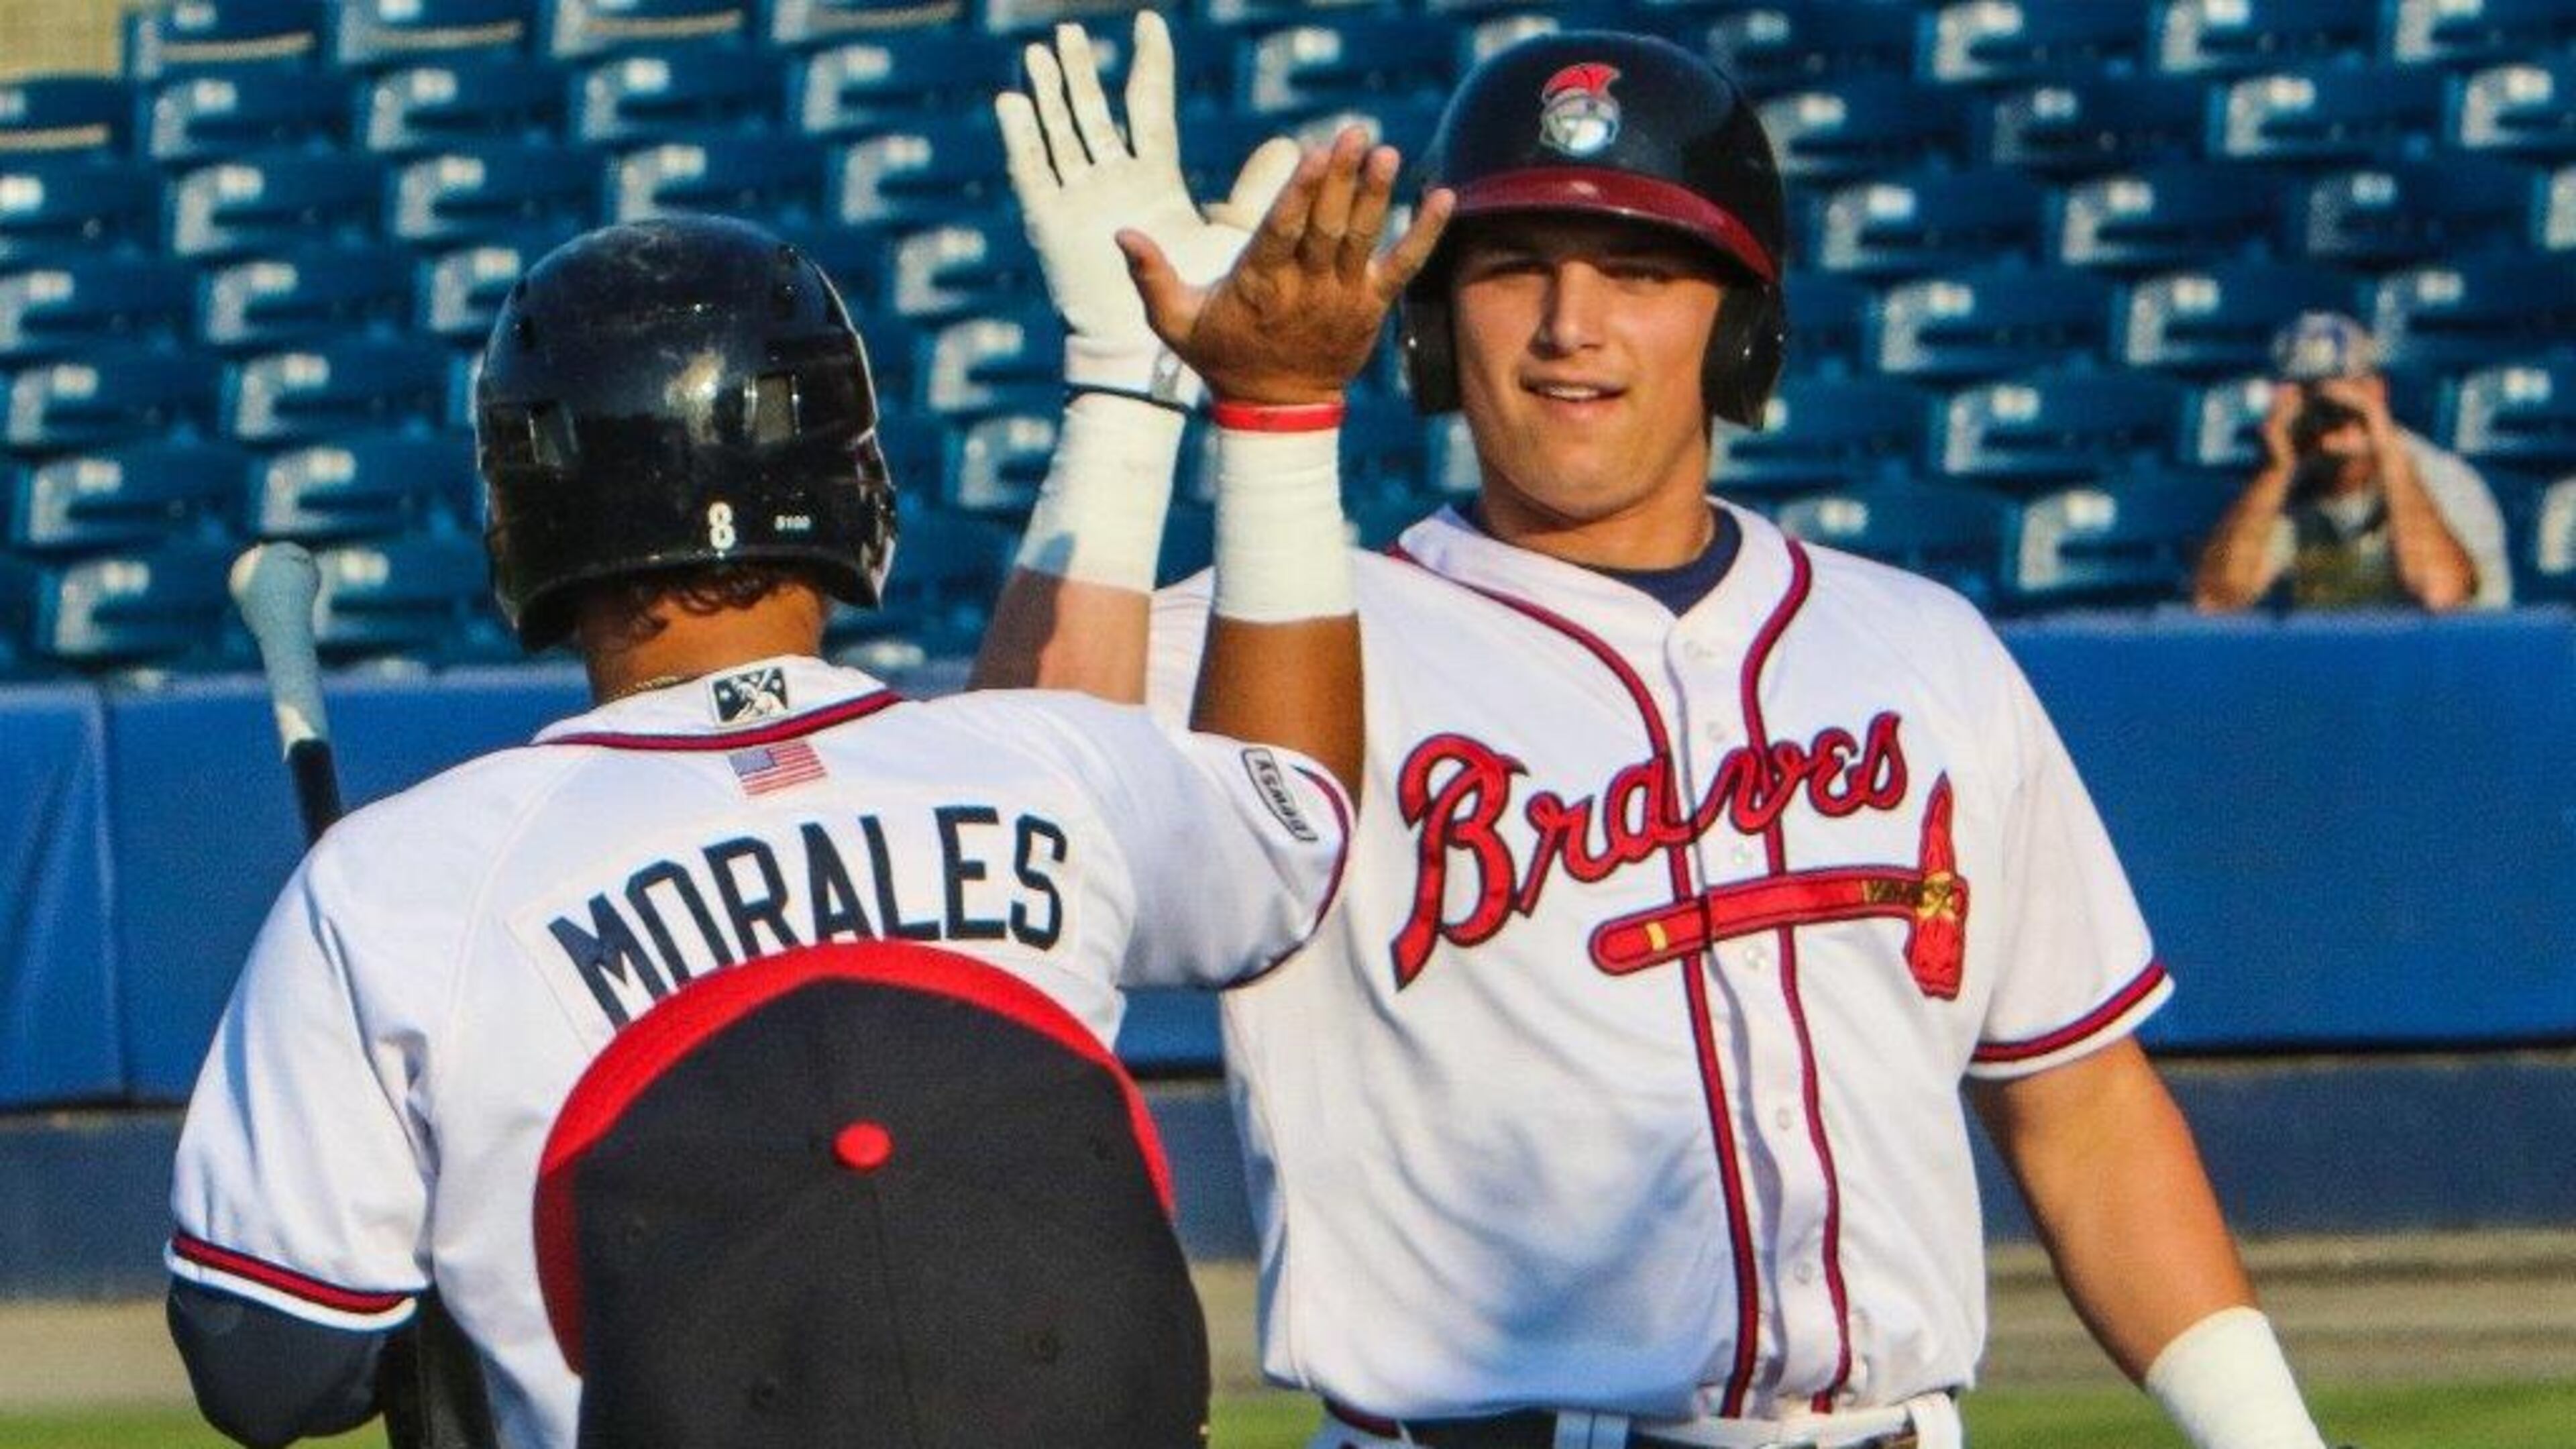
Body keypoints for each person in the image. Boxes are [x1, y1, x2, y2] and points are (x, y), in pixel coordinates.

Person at [981, 21, 2344, 1449]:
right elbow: (1011, 834)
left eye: (1639, 272)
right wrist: (1127, 394)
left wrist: (2269, 1437)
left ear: (1739, 324)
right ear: (1438, 325)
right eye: (1514, 272)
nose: (1573, 326)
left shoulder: (1922, 647)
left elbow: (2079, 1110)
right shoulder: (1302, 638)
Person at [160, 188, 1413, 1447]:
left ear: (524, 507)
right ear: (852, 477)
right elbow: (1292, 821)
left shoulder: (398, 884)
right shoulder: (1046, 767)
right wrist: (1277, 415)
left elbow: (268, 1364)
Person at [2194, 311, 2510, 613]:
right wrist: (2277, 471)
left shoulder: (2444, 479)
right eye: (2313, 399)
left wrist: (2385, 448)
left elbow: (2440, 594)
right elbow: (2217, 599)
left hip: (2447, 661)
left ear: (2376, 392)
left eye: (2340, 395)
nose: (2330, 417)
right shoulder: (2291, 486)